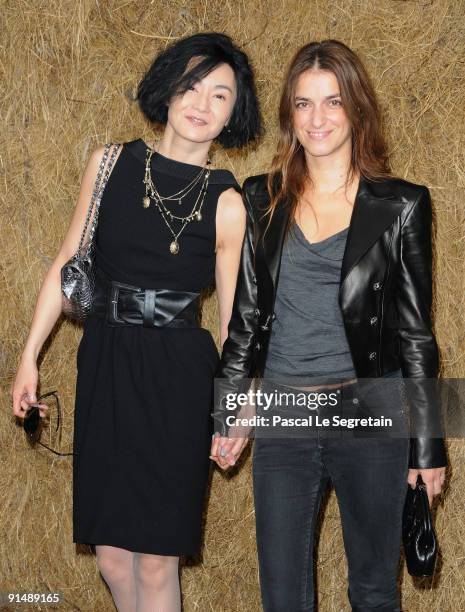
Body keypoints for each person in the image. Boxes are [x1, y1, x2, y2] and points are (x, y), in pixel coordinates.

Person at [11, 32, 261, 612]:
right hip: (106, 362)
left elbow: (231, 325)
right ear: (168, 90)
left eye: (220, 96)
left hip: (178, 378)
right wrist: (29, 356)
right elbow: (66, 265)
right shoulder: (109, 165)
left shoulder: (228, 204)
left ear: (232, 115)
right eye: (192, 85)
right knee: (111, 556)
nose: (202, 103)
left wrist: (239, 408)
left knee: (155, 559)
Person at [210, 39, 447, 611]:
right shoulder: (261, 199)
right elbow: (245, 320)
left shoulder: (401, 205)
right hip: (285, 414)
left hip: (370, 409)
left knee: (372, 590)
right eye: (303, 103)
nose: (317, 118)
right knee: (283, 596)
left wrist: (428, 446)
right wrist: (229, 411)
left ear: (356, 109)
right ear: (290, 115)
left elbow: (416, 336)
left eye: (332, 102)